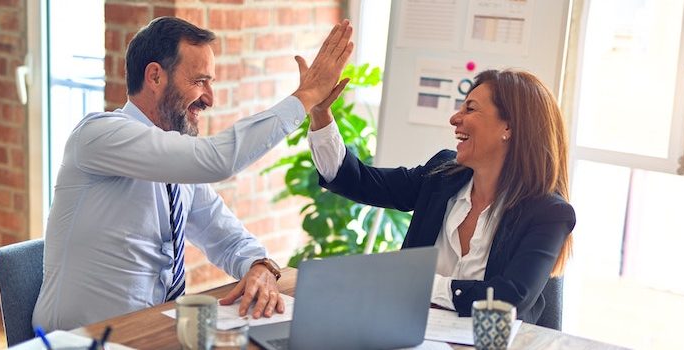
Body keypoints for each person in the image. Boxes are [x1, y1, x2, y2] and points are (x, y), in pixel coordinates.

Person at [33, 16, 353, 331]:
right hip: (80, 340)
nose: (210, 99)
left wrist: (259, 266)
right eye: (200, 81)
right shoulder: (99, 135)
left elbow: (225, 236)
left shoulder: (177, 165)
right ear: (155, 77)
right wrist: (306, 97)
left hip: (151, 331)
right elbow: (217, 160)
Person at [307, 69, 576, 324]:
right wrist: (320, 114)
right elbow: (359, 181)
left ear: (509, 127)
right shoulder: (442, 175)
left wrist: (420, 284)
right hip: (411, 335)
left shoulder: (548, 213)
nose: (455, 118)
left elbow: (510, 298)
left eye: (470, 108)